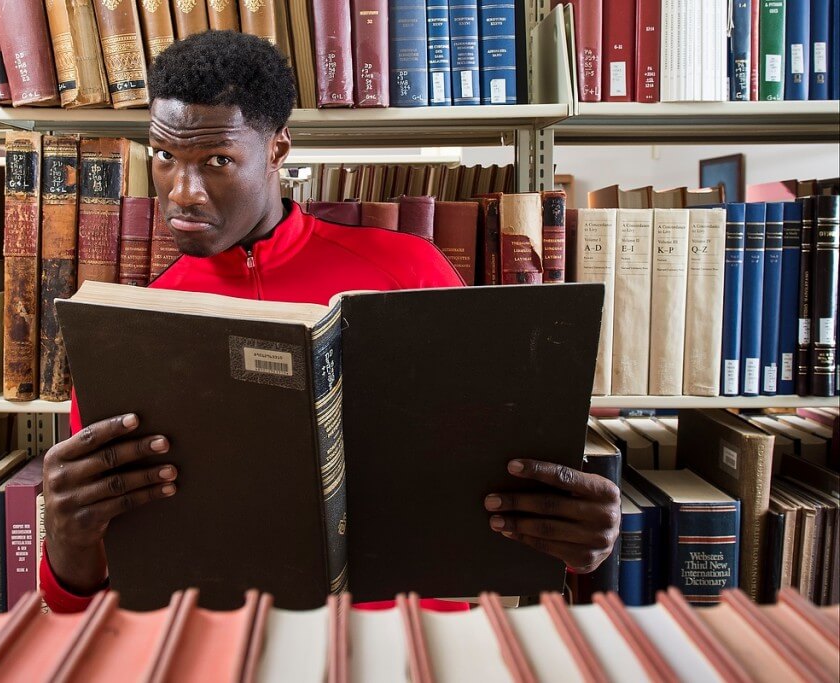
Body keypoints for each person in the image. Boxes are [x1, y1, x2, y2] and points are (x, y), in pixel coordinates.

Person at [39, 31, 620, 613]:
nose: (182, 193)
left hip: (413, 650)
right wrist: (67, 540)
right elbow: (80, 611)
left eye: (217, 160)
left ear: (277, 150)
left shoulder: (408, 270)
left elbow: (507, 487)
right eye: (164, 156)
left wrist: (579, 540)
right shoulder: (131, 331)